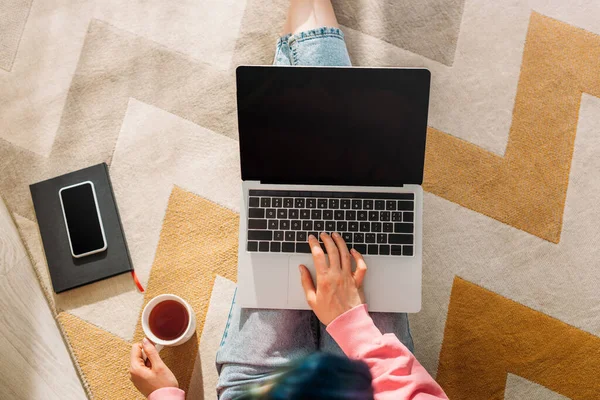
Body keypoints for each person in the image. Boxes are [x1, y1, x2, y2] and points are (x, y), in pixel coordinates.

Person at [129, 2, 448, 399]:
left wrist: (164, 394)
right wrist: (351, 321)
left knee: (294, 178)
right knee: (342, 172)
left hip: (261, 389)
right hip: (366, 384)